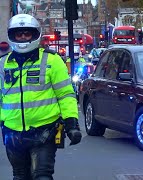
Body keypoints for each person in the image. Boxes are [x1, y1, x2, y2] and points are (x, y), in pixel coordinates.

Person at [0, 14, 81, 180]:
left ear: (35, 34)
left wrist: (71, 123)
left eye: (27, 33)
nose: (23, 37)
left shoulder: (52, 60)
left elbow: (65, 95)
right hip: (12, 133)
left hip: (44, 131)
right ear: (11, 35)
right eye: (19, 34)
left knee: (42, 175)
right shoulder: (2, 64)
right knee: (20, 176)